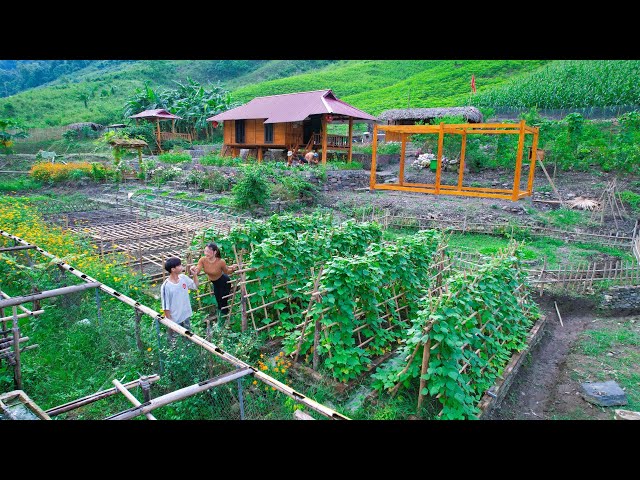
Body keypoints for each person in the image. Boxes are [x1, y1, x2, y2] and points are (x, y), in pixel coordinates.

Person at [191, 243, 237, 321]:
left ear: (215, 252)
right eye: (205, 251)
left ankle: (224, 319)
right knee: (218, 300)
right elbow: (198, 270)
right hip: (215, 283)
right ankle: (222, 318)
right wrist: (194, 270)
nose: (206, 253)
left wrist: (232, 269)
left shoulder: (221, 261)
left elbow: (226, 271)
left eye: (209, 251)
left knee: (223, 301)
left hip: (224, 282)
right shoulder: (203, 260)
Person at [160, 257, 199, 346]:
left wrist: (195, 275)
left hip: (185, 316)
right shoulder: (166, 286)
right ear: (173, 269)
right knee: (174, 343)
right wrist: (170, 323)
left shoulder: (183, 278)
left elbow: (195, 286)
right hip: (175, 319)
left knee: (188, 339)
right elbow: (165, 306)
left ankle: (188, 355)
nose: (182, 267)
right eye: (179, 265)